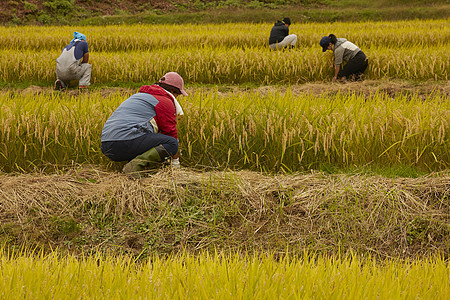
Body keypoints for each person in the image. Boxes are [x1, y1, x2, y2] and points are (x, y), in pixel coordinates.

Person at [101, 72, 187, 178]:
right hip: (124, 142)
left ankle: (133, 170)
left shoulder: (140, 96)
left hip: (107, 145)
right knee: (172, 143)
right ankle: (133, 167)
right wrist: (175, 163)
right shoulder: (164, 100)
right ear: (173, 91)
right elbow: (170, 132)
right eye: (178, 94)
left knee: (148, 138)